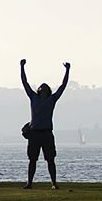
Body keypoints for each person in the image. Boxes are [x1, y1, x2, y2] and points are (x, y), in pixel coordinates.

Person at [21, 59, 70, 189]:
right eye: (41, 87)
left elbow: (63, 86)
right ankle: (29, 183)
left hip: (47, 133)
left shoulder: (52, 99)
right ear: (39, 90)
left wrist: (67, 70)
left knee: (50, 160)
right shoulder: (33, 97)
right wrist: (22, 67)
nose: (43, 88)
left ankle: (54, 183)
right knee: (32, 160)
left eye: (45, 87)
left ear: (48, 90)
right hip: (35, 133)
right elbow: (24, 82)